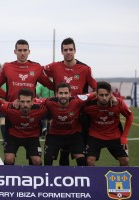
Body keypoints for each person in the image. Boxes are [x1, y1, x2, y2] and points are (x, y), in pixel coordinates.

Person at [0, 39, 53, 165]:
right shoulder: (7, 67)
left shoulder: (36, 67)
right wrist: (8, 99)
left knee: (36, 159)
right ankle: (9, 180)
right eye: (20, 50)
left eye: (25, 50)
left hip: (31, 112)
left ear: (29, 52)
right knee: (9, 158)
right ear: (15, 51)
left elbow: (50, 85)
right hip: (13, 113)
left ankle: (33, 182)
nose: (22, 53)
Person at [43, 37, 97, 166]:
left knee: (79, 153)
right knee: (61, 151)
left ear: (75, 51)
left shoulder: (85, 69)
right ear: (61, 51)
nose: (68, 52)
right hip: (58, 111)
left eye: (71, 49)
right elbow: (38, 72)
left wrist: (108, 96)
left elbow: (96, 88)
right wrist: (51, 86)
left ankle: (81, 181)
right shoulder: (54, 66)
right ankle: (64, 181)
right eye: (65, 50)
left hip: (79, 114)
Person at [43, 82, 95, 166]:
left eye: (66, 93)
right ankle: (49, 178)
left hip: (73, 135)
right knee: (48, 159)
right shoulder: (49, 102)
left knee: (82, 160)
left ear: (70, 94)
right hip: (55, 135)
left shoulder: (77, 101)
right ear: (56, 94)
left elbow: (94, 94)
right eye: (61, 93)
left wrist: (112, 97)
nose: (63, 96)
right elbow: (33, 101)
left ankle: (81, 178)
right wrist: (17, 101)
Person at [84, 81, 133, 166]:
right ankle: (93, 179)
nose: (104, 98)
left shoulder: (118, 103)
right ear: (96, 94)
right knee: (89, 161)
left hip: (114, 135)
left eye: (106, 95)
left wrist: (124, 137)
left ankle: (123, 179)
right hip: (95, 135)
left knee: (125, 160)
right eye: (101, 95)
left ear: (111, 94)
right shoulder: (88, 104)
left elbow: (129, 116)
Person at [0, 88, 47, 165]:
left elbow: (50, 101)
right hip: (13, 135)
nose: (25, 105)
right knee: (8, 159)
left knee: (37, 161)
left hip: (32, 136)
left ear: (32, 101)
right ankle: (10, 176)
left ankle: (34, 176)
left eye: (28, 102)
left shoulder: (40, 108)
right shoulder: (9, 108)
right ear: (18, 101)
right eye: (22, 101)